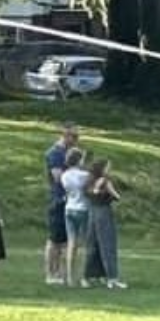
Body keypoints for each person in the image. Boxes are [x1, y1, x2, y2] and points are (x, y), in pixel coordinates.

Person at [43, 122, 79, 285]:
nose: (77, 140)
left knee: (65, 240)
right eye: (74, 136)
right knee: (54, 239)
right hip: (58, 200)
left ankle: (61, 273)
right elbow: (58, 177)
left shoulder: (69, 152)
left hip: (70, 200)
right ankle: (51, 273)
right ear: (65, 135)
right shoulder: (55, 153)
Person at [84, 158, 126, 289]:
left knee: (93, 245)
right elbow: (117, 197)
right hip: (104, 213)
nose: (110, 170)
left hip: (92, 213)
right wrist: (108, 188)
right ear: (102, 169)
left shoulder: (88, 181)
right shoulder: (104, 181)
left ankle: (90, 276)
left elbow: (90, 193)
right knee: (108, 244)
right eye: (108, 167)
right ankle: (112, 278)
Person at [60, 147, 91, 287]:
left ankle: (69, 276)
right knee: (84, 244)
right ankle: (84, 277)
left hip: (69, 208)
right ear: (78, 160)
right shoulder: (84, 175)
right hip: (83, 208)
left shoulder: (64, 175)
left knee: (71, 243)